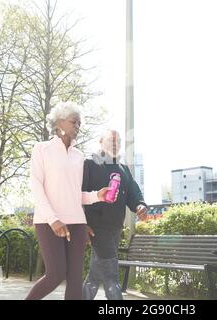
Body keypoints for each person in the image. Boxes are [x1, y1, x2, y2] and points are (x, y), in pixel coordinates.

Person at [25, 102, 111, 300]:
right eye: (74, 122)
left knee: (75, 280)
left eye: (80, 123)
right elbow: (36, 187)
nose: (78, 126)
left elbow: (75, 194)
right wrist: (53, 219)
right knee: (55, 274)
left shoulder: (79, 156)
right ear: (59, 123)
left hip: (77, 223)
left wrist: (97, 195)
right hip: (48, 222)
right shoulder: (41, 149)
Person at [82, 129, 148, 300]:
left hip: (115, 228)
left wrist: (140, 205)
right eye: (111, 140)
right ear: (100, 141)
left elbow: (134, 194)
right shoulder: (89, 164)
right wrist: (82, 223)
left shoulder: (123, 168)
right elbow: (78, 194)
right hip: (96, 228)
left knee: (94, 277)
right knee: (112, 276)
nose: (115, 144)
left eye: (118, 141)